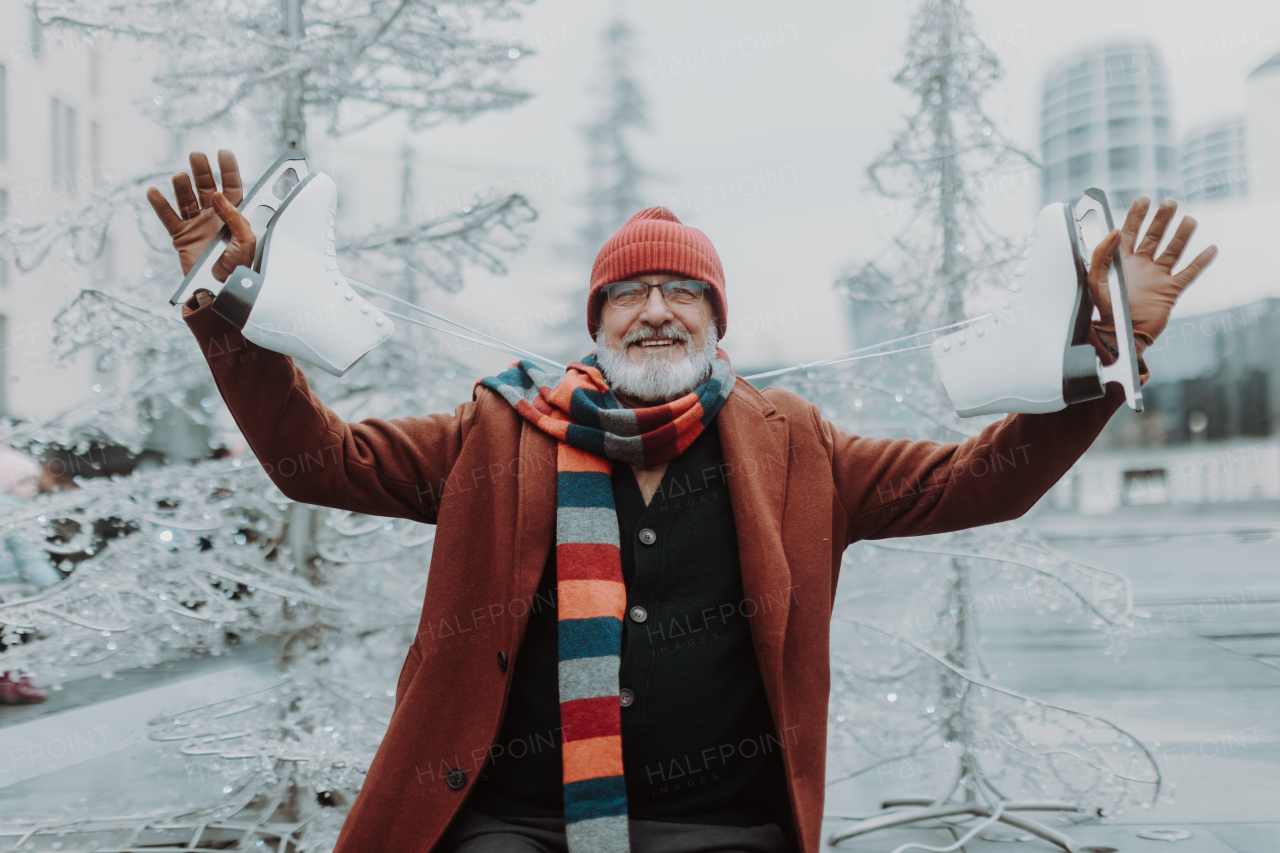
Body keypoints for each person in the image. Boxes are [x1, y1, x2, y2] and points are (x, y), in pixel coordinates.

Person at [148, 151, 1215, 853]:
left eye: (680, 292)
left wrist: (1109, 352)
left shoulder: (797, 445)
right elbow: (316, 462)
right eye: (628, 292)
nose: (654, 309)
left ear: (714, 317)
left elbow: (980, 483)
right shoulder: (497, 430)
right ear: (597, 320)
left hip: (726, 829)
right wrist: (228, 320)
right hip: (513, 823)